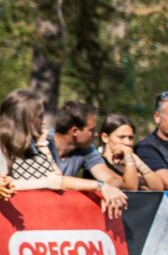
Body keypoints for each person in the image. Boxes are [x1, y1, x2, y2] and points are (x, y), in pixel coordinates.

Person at [0, 89, 127, 217]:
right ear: (25, 119)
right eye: (39, 117)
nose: (43, 122)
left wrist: (103, 187)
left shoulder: (32, 146)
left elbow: (56, 179)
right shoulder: (4, 145)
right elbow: (53, 181)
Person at [48, 100, 120, 184]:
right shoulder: (41, 144)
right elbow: (55, 181)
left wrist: (112, 185)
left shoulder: (86, 148)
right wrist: (99, 185)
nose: (96, 134)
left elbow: (109, 179)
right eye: (91, 130)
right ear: (75, 131)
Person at [98, 114, 164, 191]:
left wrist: (139, 163)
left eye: (130, 138)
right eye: (121, 137)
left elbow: (158, 188)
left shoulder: (128, 164)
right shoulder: (98, 163)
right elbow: (131, 187)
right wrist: (128, 154)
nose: (127, 142)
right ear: (105, 137)